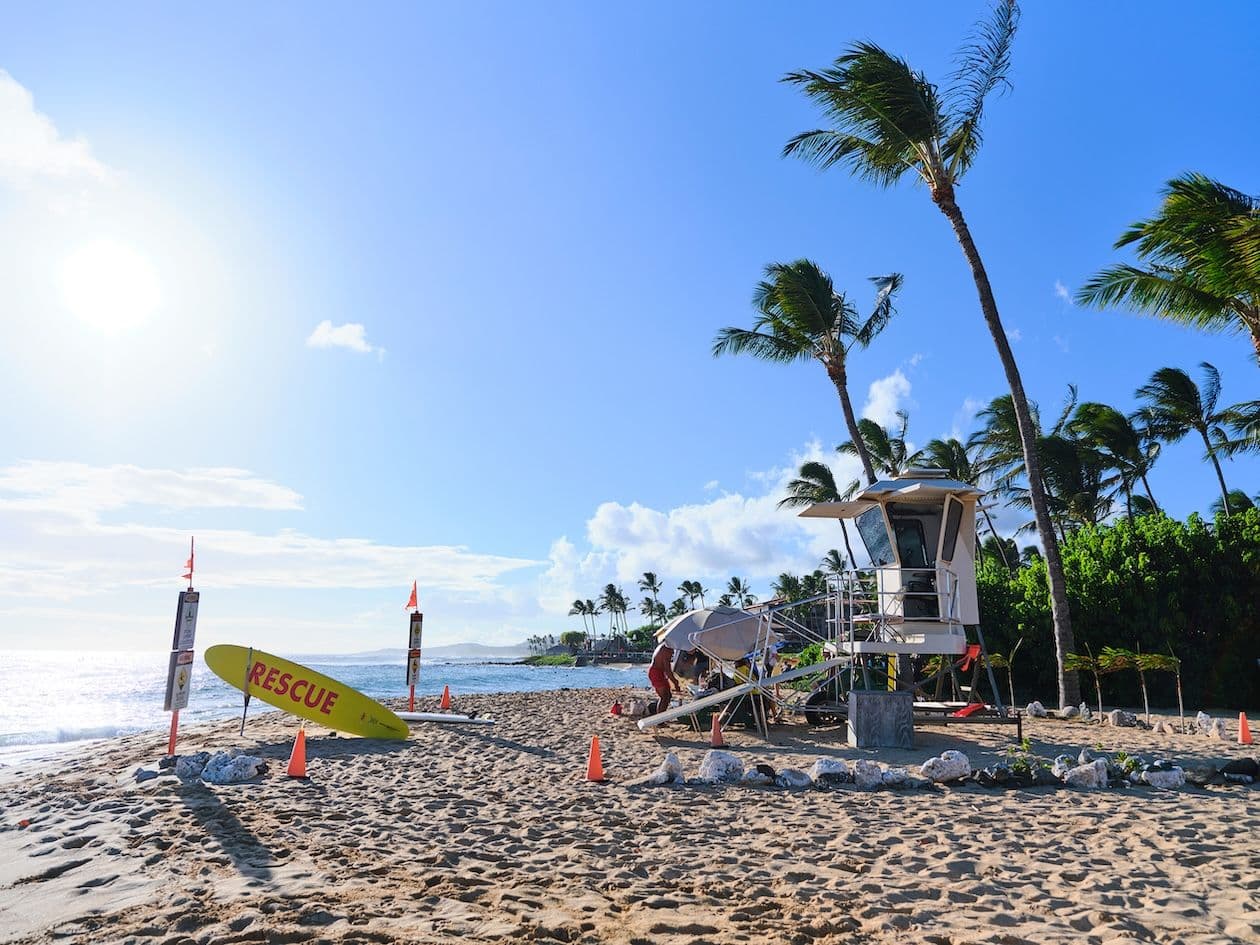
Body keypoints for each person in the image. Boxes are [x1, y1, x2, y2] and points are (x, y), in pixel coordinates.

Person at [648, 641, 681, 715]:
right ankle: (659, 721)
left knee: (668, 695)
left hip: (659, 672)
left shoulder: (665, 646)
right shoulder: (666, 649)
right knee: (664, 697)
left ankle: (662, 716)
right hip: (656, 672)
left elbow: (666, 669)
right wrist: (675, 683)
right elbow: (668, 670)